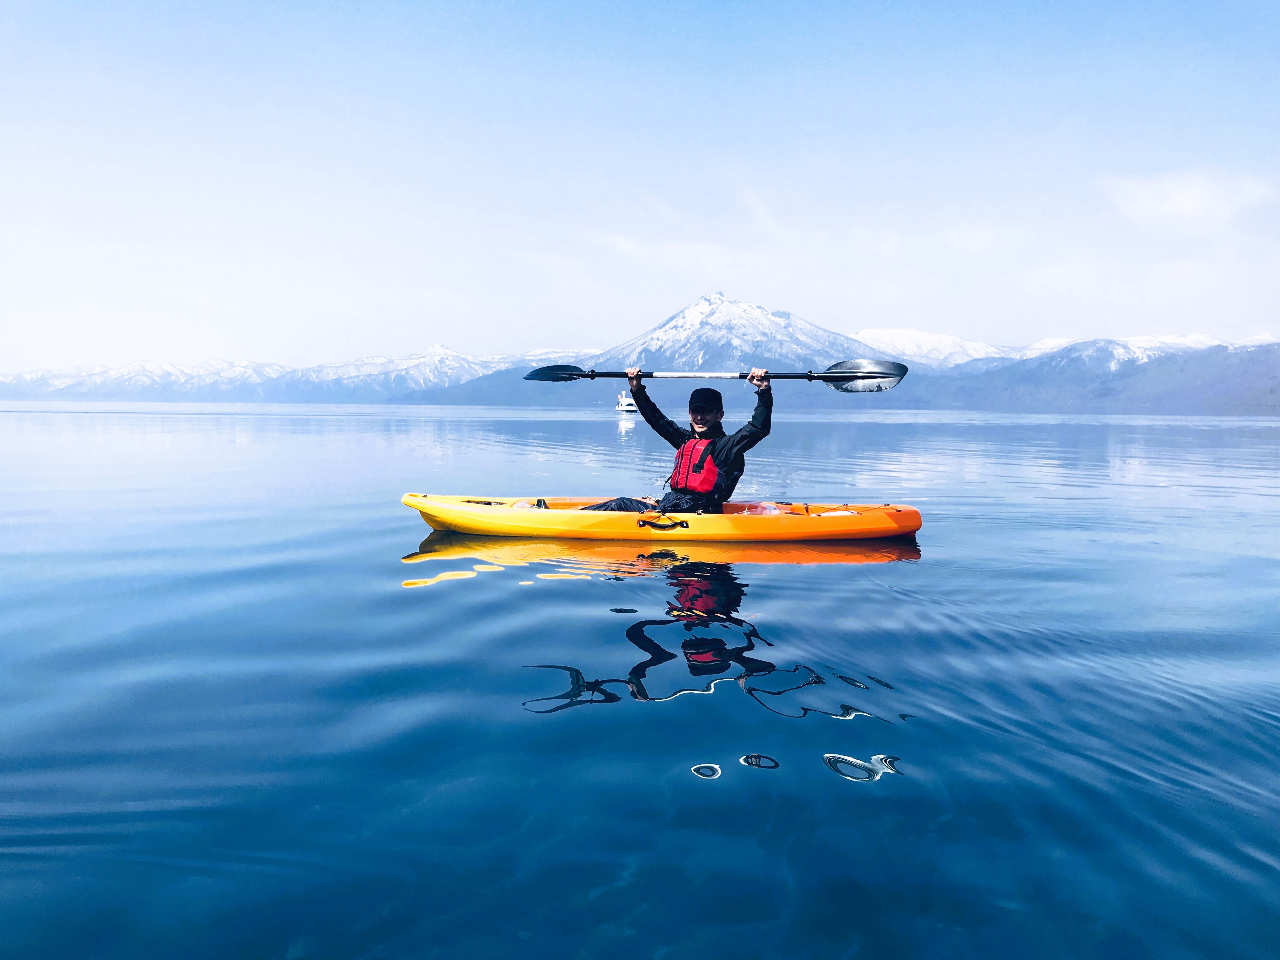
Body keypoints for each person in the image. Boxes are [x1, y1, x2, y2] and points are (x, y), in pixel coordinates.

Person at [582, 365, 772, 514]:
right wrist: (636, 389)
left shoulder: (726, 446)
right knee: (622, 503)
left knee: (620, 504)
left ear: (719, 415)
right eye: (695, 411)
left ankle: (565, 521)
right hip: (673, 506)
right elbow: (656, 419)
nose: (699, 417)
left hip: (699, 512)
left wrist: (764, 390)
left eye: (706, 412)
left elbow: (758, 428)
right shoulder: (684, 440)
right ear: (689, 414)